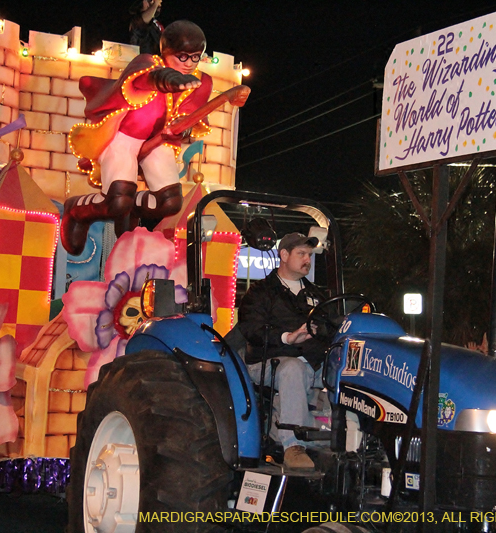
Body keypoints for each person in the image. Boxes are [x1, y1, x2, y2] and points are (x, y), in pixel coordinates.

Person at [62, 20, 213, 255]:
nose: (190, 64)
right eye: (183, 57)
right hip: (124, 137)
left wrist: (184, 127)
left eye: (195, 57)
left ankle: (132, 208)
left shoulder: (200, 82)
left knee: (170, 202)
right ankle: (77, 211)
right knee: (117, 201)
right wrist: (166, 80)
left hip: (156, 141)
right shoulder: (147, 63)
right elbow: (143, 79)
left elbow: (187, 116)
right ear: (167, 52)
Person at [237, 233, 328, 470]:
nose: (307, 259)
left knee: (346, 371)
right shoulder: (260, 293)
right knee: (293, 368)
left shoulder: (318, 296)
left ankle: (340, 438)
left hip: (313, 362)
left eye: (309, 255)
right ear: (284, 255)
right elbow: (251, 328)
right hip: (266, 362)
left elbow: (331, 327)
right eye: (301, 254)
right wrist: (287, 337)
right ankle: (293, 446)